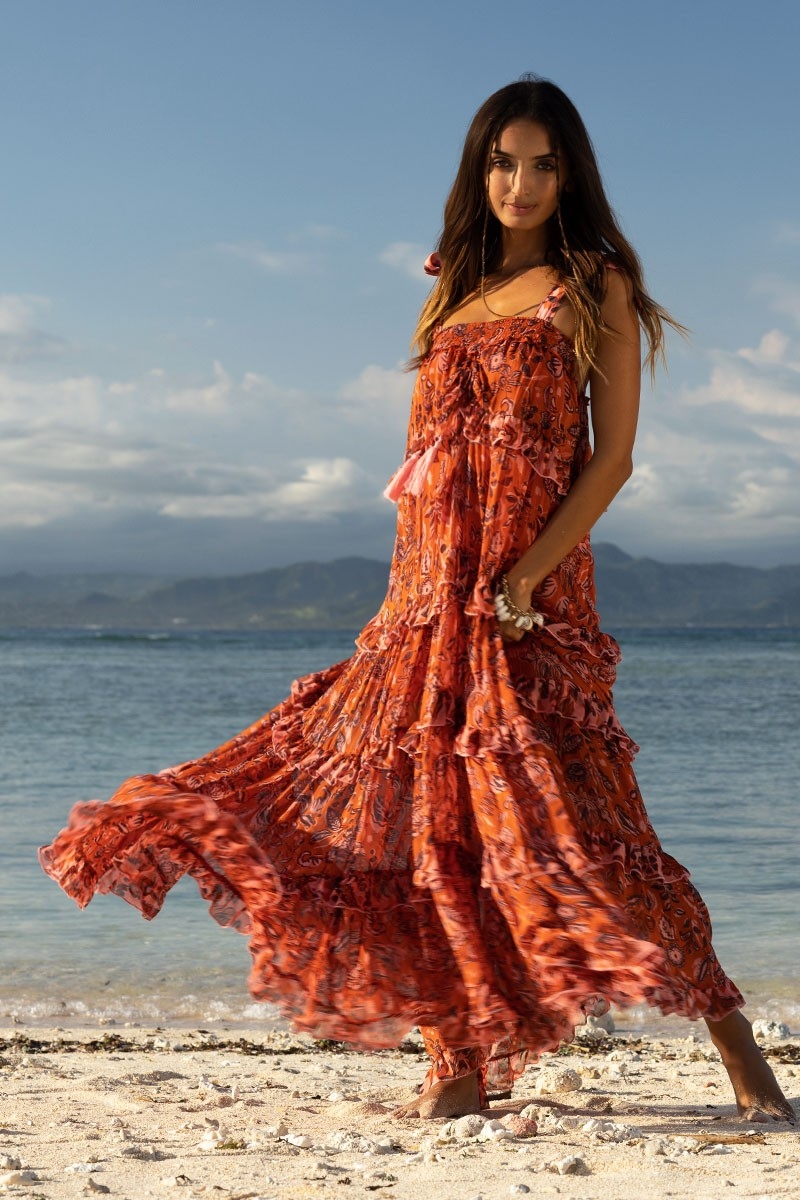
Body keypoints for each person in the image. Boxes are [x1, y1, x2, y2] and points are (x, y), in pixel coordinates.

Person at [40, 76, 794, 1125]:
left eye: (540, 164)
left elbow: (610, 461)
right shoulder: (448, 289)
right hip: (424, 605)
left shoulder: (592, 283)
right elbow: (421, 459)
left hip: (529, 606)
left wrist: (525, 575)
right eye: (500, 161)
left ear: (569, 173)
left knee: (586, 833)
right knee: (418, 836)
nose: (518, 183)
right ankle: (452, 1063)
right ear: (474, 169)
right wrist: (411, 600)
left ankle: (738, 1050)